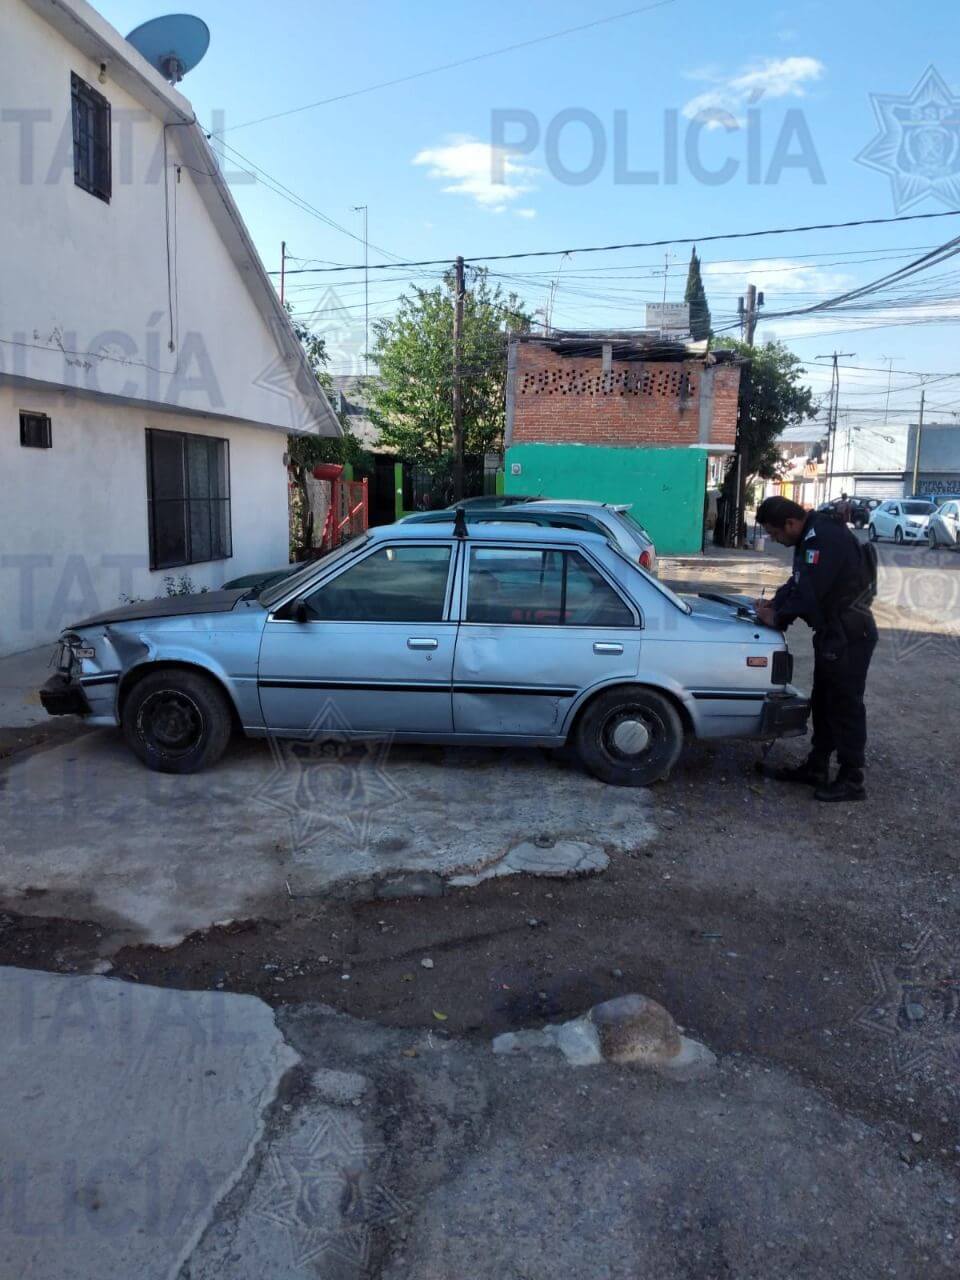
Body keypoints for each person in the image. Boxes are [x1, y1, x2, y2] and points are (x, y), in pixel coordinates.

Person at [754, 495, 878, 802]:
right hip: (833, 632)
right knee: (824, 702)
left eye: (775, 533)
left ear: (791, 523)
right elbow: (798, 582)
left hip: (849, 633)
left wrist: (778, 617)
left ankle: (852, 778)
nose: (774, 540)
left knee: (845, 705)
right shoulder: (811, 535)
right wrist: (775, 602)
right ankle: (817, 766)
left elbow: (809, 594)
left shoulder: (822, 537)